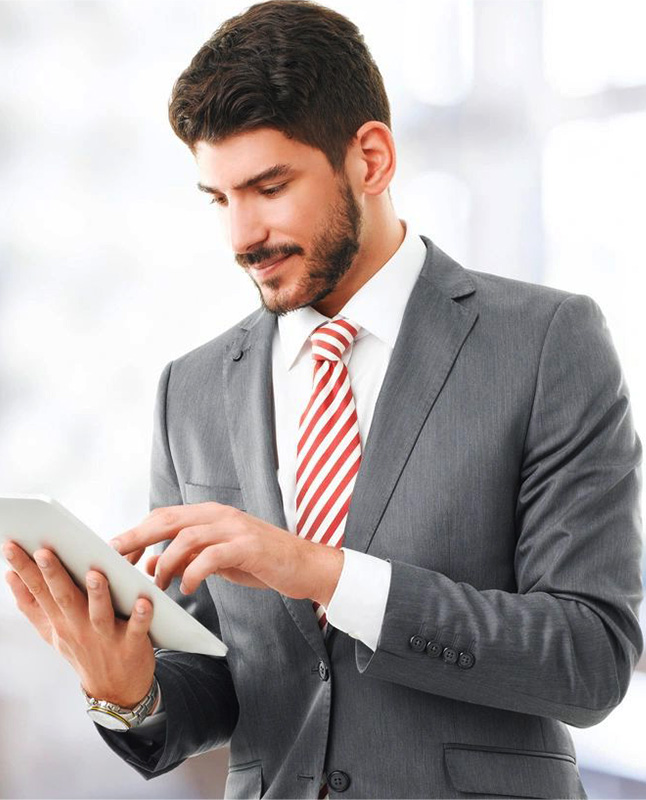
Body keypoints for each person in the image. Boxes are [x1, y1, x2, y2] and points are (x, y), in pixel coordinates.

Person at [3, 1, 643, 797]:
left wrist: (321, 573)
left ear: (370, 159)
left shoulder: (547, 342)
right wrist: (126, 686)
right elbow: (218, 682)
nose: (241, 236)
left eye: (269, 186)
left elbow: (590, 659)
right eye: (219, 197)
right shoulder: (193, 389)